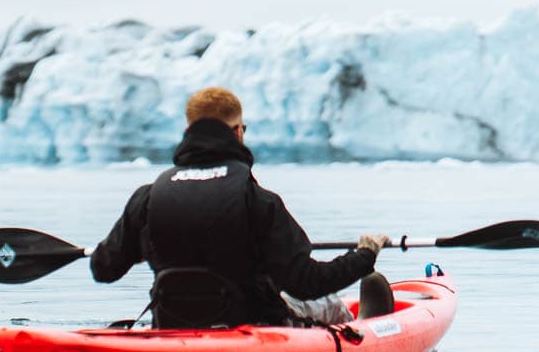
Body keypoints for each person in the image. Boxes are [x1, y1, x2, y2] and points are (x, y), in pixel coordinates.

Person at [89, 87, 394, 329]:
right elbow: (306, 283)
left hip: (171, 324)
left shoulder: (148, 198)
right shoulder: (258, 200)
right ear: (237, 132)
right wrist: (364, 255)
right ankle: (366, 329)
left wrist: (142, 245)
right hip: (252, 327)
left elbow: (103, 268)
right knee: (328, 303)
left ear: (187, 131)